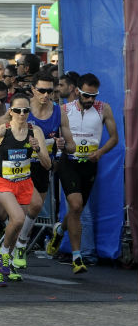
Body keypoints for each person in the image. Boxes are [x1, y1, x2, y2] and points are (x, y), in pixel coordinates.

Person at [0, 94, 51, 287]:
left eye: (26, 110)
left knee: (17, 227)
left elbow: (48, 164)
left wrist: (38, 150)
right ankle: (2, 257)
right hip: (4, 183)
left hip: (24, 183)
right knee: (17, 218)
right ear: (11, 111)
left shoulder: (36, 131)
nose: (22, 114)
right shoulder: (3, 130)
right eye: (17, 110)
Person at [56, 73, 118, 273]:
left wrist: (100, 152)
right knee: (75, 204)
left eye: (93, 96)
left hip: (89, 164)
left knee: (77, 209)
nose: (90, 100)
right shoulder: (65, 110)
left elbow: (114, 138)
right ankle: (77, 257)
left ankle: (59, 230)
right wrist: (61, 145)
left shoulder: (104, 109)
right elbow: (59, 137)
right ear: (77, 91)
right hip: (69, 163)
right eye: (86, 95)